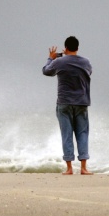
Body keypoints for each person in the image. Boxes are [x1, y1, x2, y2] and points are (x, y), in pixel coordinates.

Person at [42, 36, 93, 175]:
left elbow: (46, 71)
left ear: (65, 47)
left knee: (66, 135)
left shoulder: (59, 62)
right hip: (81, 102)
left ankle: (69, 168)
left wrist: (51, 58)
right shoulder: (86, 62)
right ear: (77, 47)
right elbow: (89, 73)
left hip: (64, 103)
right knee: (82, 134)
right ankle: (83, 168)